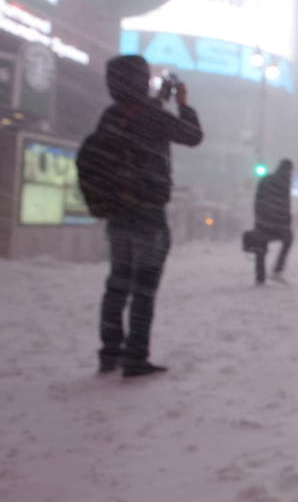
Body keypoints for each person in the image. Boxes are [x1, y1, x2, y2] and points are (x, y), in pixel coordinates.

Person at [96, 55, 203, 378]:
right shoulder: (150, 117)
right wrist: (182, 103)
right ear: (140, 81)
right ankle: (136, 357)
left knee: (117, 286)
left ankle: (110, 352)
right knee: (143, 291)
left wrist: (157, 102)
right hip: (148, 215)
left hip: (118, 215)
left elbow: (136, 125)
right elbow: (192, 135)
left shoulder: (110, 116)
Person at [253, 159, 294, 284]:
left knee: (260, 248)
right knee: (288, 239)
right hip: (278, 226)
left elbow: (258, 201)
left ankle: (260, 277)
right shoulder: (284, 184)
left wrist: (259, 219)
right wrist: (285, 223)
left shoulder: (265, 180)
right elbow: (285, 207)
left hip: (262, 223)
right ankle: (277, 269)